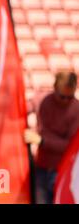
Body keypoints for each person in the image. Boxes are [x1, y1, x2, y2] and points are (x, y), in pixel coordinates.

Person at [24, 71, 79, 204]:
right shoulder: (42, 100)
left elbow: (69, 146)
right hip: (41, 167)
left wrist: (42, 141)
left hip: (63, 171)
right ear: (54, 88)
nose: (65, 101)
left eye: (69, 97)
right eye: (62, 96)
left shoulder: (77, 109)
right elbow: (22, 107)